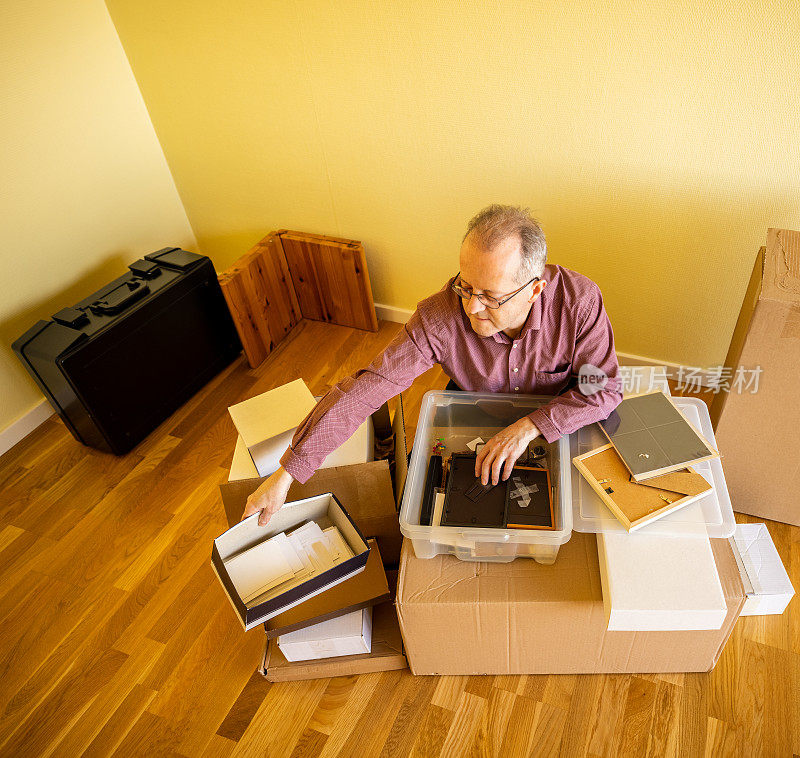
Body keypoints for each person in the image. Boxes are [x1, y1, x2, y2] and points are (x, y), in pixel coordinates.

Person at [243, 204, 623, 525]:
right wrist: (286, 474)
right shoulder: (438, 317)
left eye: (490, 297)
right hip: (475, 405)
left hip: (558, 418)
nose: (471, 307)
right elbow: (365, 391)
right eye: (465, 285)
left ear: (534, 290)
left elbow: (603, 389)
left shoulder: (579, 302)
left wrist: (529, 427)